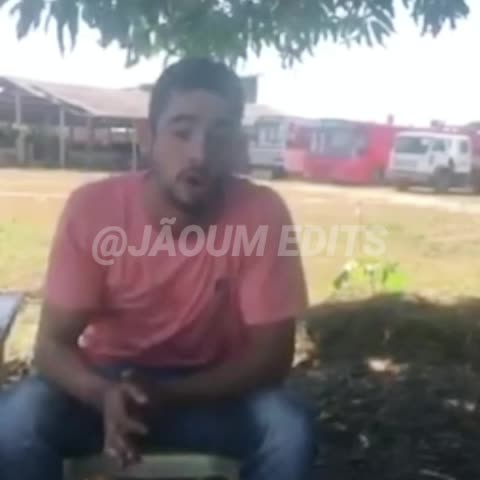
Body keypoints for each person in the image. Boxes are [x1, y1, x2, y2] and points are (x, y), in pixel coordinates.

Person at [0, 58, 316, 480]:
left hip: (212, 392)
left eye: (219, 134)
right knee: (17, 422)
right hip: (103, 390)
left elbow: (272, 359)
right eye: (182, 132)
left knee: (288, 430)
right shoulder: (93, 209)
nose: (199, 154)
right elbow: (51, 347)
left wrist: (168, 395)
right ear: (147, 137)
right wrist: (104, 394)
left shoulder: (262, 213)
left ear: (236, 144)